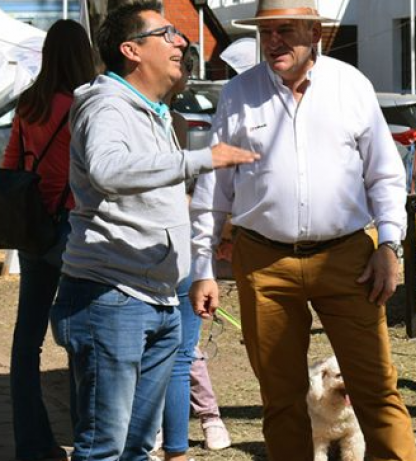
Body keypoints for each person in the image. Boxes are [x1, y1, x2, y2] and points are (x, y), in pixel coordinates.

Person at [188, 0, 416, 459]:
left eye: (285, 31)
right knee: (282, 398)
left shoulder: (350, 85)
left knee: (376, 389)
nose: (273, 42)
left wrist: (390, 245)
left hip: (348, 259)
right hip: (264, 262)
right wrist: (202, 265)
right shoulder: (238, 92)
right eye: (266, 32)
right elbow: (213, 188)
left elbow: (385, 174)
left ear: (315, 33)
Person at [48, 2, 258, 459]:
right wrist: (203, 158)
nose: (181, 41)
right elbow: (108, 171)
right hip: (111, 298)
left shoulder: (156, 112)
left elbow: (151, 195)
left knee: (139, 447)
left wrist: (214, 230)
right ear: (132, 50)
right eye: (167, 34)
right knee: (105, 447)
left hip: (158, 297)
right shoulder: (107, 105)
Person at [1, 19, 95, 461]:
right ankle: (87, 437)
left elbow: (12, 163)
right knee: (81, 334)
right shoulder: (87, 104)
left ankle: (31, 443)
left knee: (27, 340)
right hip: (76, 227)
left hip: (33, 228)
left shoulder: (29, 104)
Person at [155, 48, 231, 461]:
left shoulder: (176, 120)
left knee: (180, 353)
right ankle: (182, 433)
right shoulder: (154, 118)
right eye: (181, 64)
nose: (185, 72)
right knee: (174, 352)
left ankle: (195, 429)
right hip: (160, 249)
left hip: (177, 247)